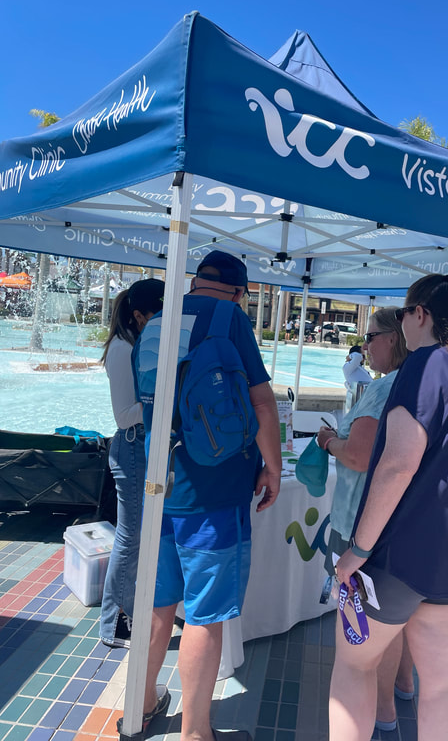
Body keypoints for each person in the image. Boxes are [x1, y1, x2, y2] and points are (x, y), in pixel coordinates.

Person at [329, 274, 448, 741]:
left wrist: (358, 549)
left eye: (404, 314)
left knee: (353, 666)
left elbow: (397, 464)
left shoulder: (426, 364)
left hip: (399, 557)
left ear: (421, 314)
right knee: (442, 681)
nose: (402, 324)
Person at [132, 251, 282, 741]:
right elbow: (262, 404)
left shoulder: (158, 320)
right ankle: (195, 732)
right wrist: (273, 468)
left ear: (196, 282)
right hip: (213, 492)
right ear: (239, 292)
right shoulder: (229, 318)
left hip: (160, 486)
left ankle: (141, 705)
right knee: (204, 614)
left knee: (158, 605)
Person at [317, 307, 412, 733]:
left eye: (370, 336)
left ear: (393, 338)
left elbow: (358, 455)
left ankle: (382, 709)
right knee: (396, 619)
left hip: (362, 524)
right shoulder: (421, 383)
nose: (364, 345)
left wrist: (328, 441)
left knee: (362, 636)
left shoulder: (384, 388)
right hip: (401, 522)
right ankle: (402, 686)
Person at [99, 278, 165, 649]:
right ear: (138, 315)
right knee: (131, 537)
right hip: (132, 447)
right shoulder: (122, 349)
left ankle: (128, 611)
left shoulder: (139, 344)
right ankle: (115, 624)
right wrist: (164, 400)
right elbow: (124, 415)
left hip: (143, 447)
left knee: (138, 536)